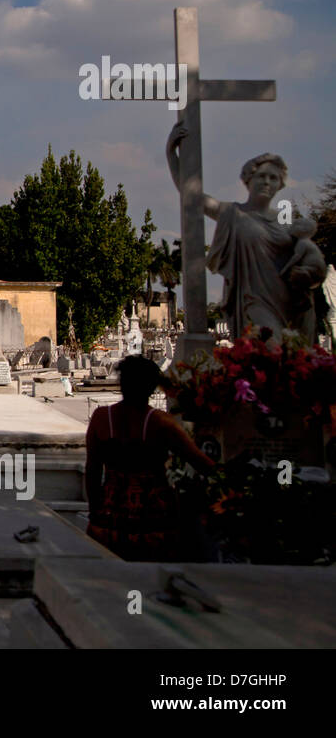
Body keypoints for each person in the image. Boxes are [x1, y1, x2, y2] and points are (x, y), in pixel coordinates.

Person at [166, 126, 326, 340]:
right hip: (252, 300)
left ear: (280, 185)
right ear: (248, 178)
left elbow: (311, 259)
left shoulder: (284, 220)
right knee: (269, 345)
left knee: (286, 357)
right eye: (261, 176)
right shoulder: (232, 213)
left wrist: (309, 272)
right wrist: (171, 154)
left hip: (289, 303)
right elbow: (192, 196)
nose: (267, 182)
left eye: (273, 178)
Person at [85, 356, 215, 561]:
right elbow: (201, 462)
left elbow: (92, 470)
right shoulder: (160, 423)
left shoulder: (101, 418)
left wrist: (95, 512)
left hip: (110, 515)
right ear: (152, 387)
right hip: (153, 517)